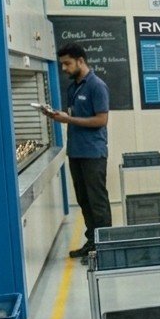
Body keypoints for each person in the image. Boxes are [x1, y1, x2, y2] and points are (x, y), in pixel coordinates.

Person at [42, 43, 112, 260]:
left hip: (93, 154)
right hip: (77, 152)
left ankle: (104, 248)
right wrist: (59, 115)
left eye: (67, 63)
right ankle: (92, 243)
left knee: (97, 202)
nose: (63, 68)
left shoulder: (97, 86)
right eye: (62, 63)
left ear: (81, 61)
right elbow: (75, 114)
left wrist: (68, 119)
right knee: (84, 200)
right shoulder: (73, 87)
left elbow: (102, 119)